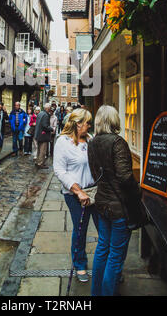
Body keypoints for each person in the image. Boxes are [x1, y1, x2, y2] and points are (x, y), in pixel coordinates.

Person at [88, 105, 137, 296]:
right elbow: (125, 177)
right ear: (114, 120)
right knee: (115, 256)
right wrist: (137, 192)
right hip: (119, 207)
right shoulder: (118, 142)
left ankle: (95, 293)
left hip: (102, 203)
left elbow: (95, 175)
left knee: (102, 249)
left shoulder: (92, 143)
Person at [53, 108, 98, 283]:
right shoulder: (62, 142)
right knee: (81, 229)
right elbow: (59, 170)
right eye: (87, 122)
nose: (89, 125)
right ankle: (80, 263)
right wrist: (77, 191)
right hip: (74, 194)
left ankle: (108, 266)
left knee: (103, 228)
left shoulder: (90, 139)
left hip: (94, 191)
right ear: (78, 124)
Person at [34, 103, 53, 169]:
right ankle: (40, 163)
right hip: (43, 135)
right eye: (50, 107)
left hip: (38, 134)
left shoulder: (40, 113)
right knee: (43, 149)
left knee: (39, 149)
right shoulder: (45, 115)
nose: (50, 109)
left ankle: (37, 161)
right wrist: (51, 128)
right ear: (47, 108)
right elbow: (45, 126)